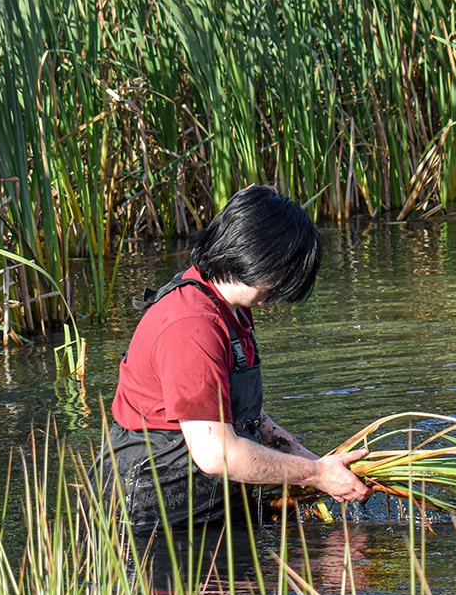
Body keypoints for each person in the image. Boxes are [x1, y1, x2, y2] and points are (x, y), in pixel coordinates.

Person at [97, 184, 369, 534]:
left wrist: (316, 463)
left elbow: (242, 413)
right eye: (283, 278)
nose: (279, 293)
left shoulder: (230, 307)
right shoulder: (192, 325)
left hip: (205, 504)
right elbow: (215, 453)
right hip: (155, 522)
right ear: (262, 261)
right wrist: (315, 476)